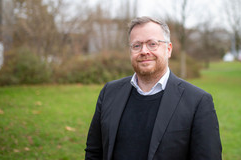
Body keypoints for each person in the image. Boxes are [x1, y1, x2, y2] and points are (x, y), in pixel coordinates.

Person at [85, 16, 222, 160]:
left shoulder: (197, 101)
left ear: (168, 49)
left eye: (152, 44)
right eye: (136, 45)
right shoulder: (110, 93)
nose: (144, 51)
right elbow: (94, 152)